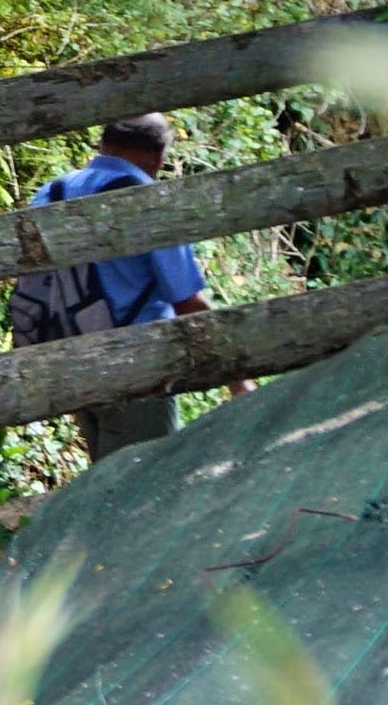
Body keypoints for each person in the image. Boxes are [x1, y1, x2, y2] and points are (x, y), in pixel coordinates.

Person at [36, 113, 253, 458]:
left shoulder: (51, 192)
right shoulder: (147, 201)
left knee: (106, 479)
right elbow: (187, 303)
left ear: (103, 145)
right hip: (136, 363)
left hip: (69, 360)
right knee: (148, 482)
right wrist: (238, 380)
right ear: (159, 157)